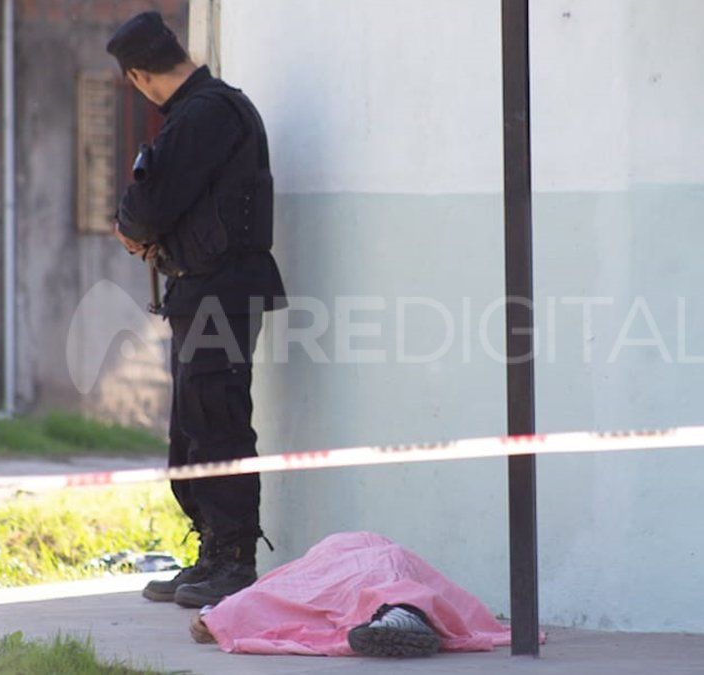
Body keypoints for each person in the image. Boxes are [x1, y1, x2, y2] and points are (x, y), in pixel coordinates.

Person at [105, 11, 285, 608]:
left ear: (138, 76)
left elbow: (150, 205)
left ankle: (234, 562)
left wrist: (132, 228)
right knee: (192, 429)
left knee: (217, 420)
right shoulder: (203, 112)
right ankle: (213, 553)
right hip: (202, 288)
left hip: (221, 288)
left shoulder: (206, 113)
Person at [187, 532, 518, 658]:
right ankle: (400, 617)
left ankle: (399, 617)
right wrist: (215, 618)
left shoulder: (384, 551)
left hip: (374, 566)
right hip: (351, 573)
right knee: (389, 580)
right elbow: (271, 589)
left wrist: (216, 618)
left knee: (388, 570)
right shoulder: (319, 561)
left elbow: (267, 592)